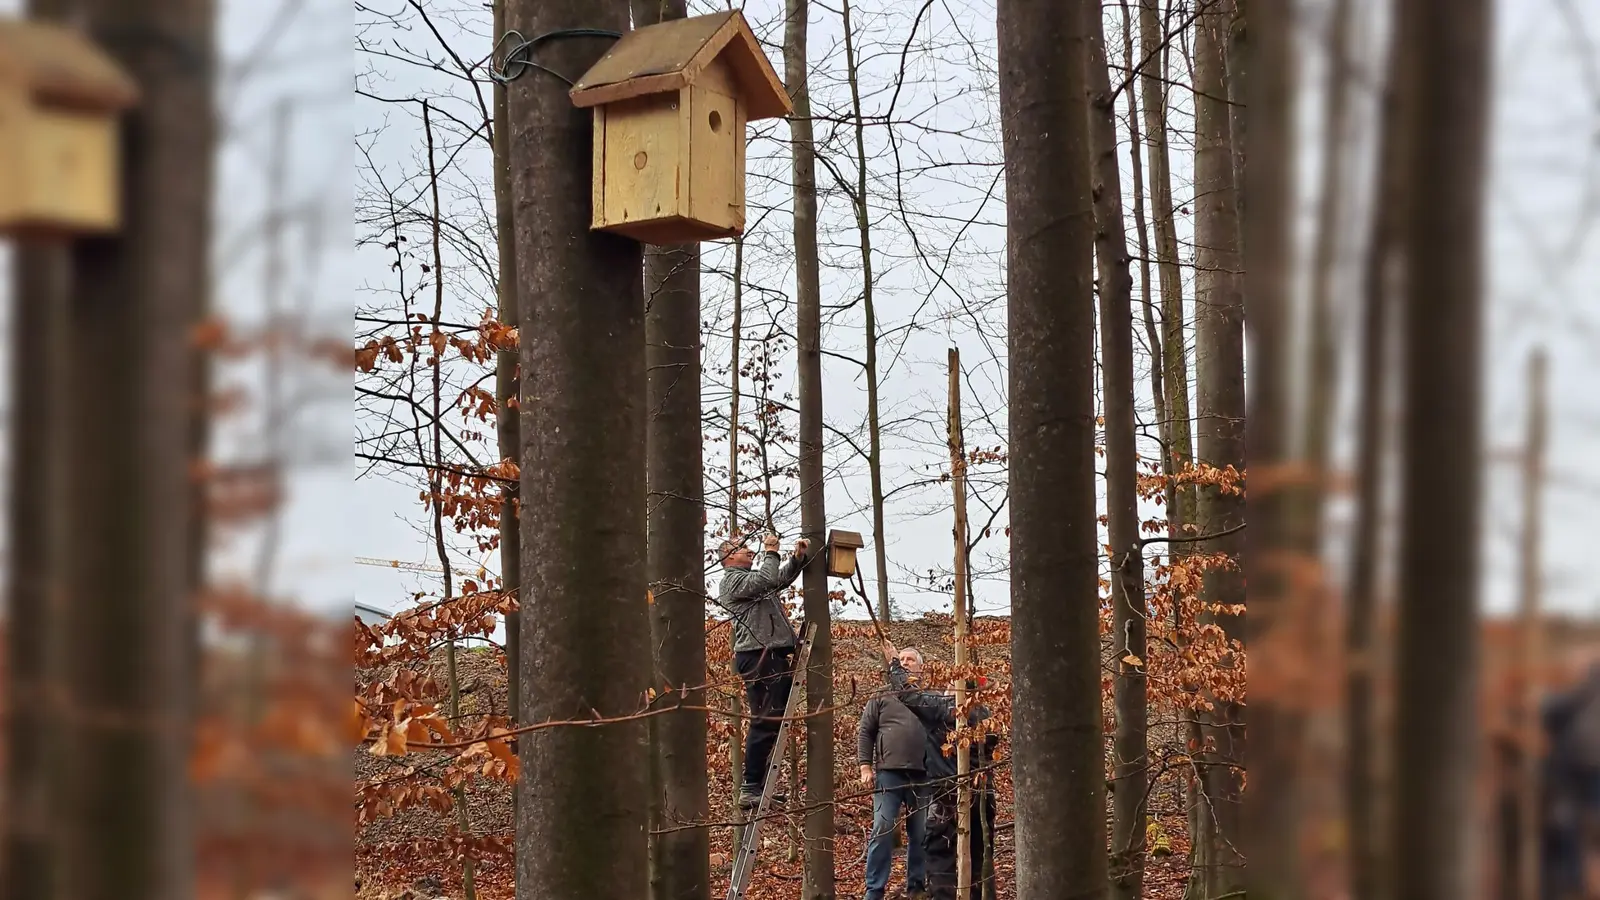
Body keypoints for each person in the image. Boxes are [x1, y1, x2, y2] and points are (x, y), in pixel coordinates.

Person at [880, 638, 1000, 900]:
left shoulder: (947, 710)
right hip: (983, 800)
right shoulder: (989, 717)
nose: (945, 687)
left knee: (942, 863)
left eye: (950, 685)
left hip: (948, 799)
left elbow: (910, 695)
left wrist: (893, 664)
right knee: (979, 863)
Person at [715, 533, 809, 809]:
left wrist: (797, 559)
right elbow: (767, 579)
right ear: (729, 557)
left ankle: (761, 784)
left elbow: (776, 580)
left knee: (774, 719)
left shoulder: (751, 581)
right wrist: (771, 551)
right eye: (742, 548)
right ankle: (750, 786)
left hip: (769, 652)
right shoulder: (732, 581)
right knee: (764, 719)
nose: (749, 551)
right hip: (758, 654)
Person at [858, 646, 931, 900]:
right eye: (901, 659)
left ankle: (916, 887)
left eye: (911, 659)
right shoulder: (881, 695)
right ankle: (874, 890)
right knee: (883, 826)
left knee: (921, 831)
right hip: (888, 773)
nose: (906, 662)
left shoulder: (927, 697)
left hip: (924, 774)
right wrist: (865, 766)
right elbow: (866, 731)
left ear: (920, 667)